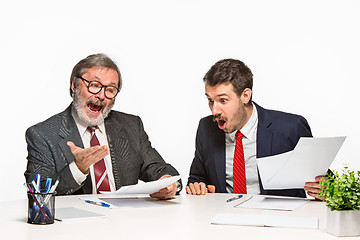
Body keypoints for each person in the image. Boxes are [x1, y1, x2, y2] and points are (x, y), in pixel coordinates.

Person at [25, 53, 181, 199]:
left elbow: (157, 168)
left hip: (125, 222)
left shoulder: (131, 126)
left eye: (110, 90)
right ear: (74, 85)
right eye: (94, 85)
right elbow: (38, 194)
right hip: (76, 226)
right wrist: (78, 168)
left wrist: (167, 183)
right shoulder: (42, 134)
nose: (101, 95)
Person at [186, 58, 324, 200]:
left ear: (245, 96)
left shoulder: (290, 127)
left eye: (223, 100)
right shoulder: (206, 128)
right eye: (210, 100)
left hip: (278, 218)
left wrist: (325, 188)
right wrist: (198, 186)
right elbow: (197, 178)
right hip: (226, 216)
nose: (215, 110)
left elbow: (323, 178)